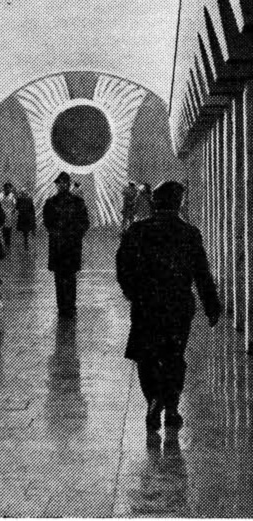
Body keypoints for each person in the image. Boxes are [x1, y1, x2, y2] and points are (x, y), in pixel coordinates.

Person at [117, 181, 221, 431]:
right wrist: (211, 304)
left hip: (146, 304)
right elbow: (201, 273)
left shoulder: (137, 231)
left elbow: (122, 265)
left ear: (154, 202)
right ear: (178, 203)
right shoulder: (189, 233)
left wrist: (132, 292)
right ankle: (171, 407)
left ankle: (153, 399)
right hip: (178, 305)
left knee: (146, 356)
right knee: (174, 356)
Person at [43, 171, 90, 318]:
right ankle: (62, 307)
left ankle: (70, 306)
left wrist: (75, 234)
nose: (62, 185)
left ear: (69, 184)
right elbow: (47, 222)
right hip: (58, 245)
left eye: (65, 182)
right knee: (59, 278)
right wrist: (56, 233)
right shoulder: (50, 203)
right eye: (59, 183)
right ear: (57, 185)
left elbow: (84, 222)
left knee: (70, 277)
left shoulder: (78, 202)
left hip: (71, 246)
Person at [0, 182, 17, 250]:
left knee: (8, 228)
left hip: (9, 214)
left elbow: (14, 204)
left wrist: (13, 210)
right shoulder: (0, 196)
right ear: (4, 188)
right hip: (2, 214)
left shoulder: (12, 196)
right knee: (2, 228)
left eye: (9, 188)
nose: (8, 190)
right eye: (6, 188)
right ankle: (4, 242)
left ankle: (7, 243)